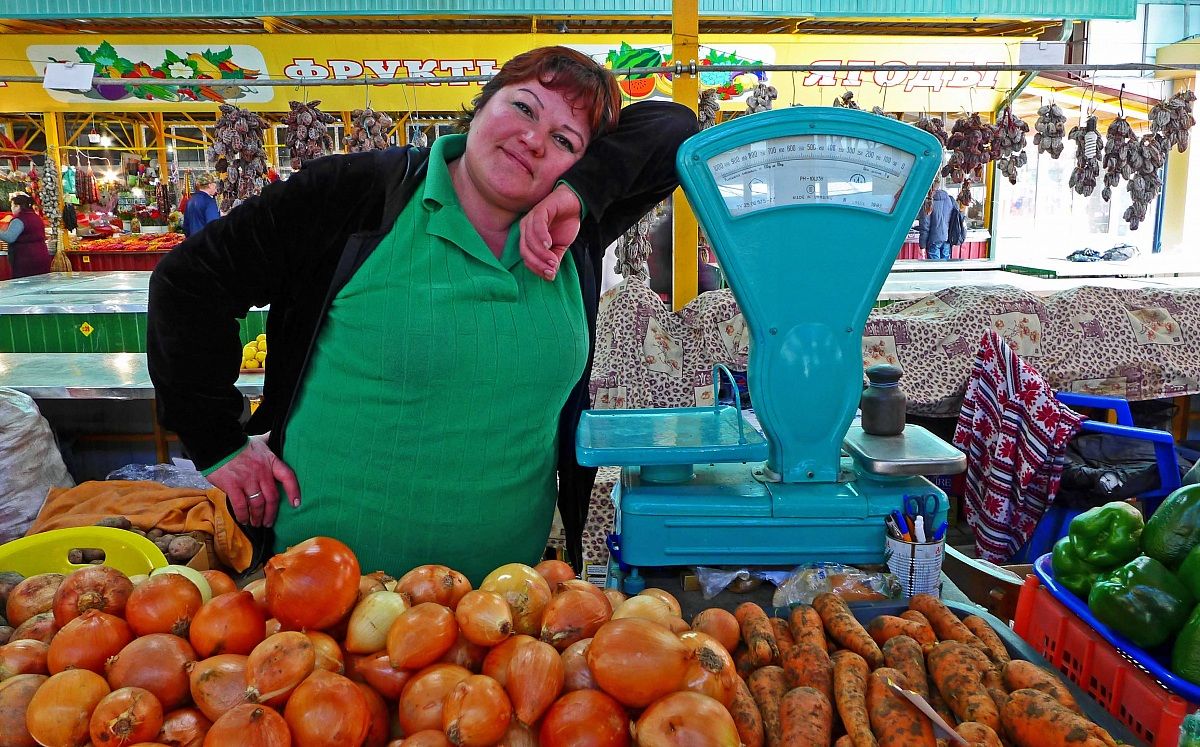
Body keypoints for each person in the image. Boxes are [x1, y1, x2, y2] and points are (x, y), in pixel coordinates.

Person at [148, 46, 698, 582]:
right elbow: (190, 283)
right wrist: (219, 443)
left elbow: (676, 128)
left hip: (498, 614)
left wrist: (580, 193)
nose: (533, 140)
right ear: (481, 105)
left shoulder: (573, 234)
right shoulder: (359, 195)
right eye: (523, 107)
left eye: (563, 139)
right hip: (320, 599)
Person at [0, 193, 51, 278]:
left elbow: (10, 237)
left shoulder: (19, 220)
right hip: (42, 256)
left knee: (25, 286)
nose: (11, 208)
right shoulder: (36, 217)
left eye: (12, 206)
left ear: (18, 206)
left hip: (26, 259)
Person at [918, 178, 955, 261]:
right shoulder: (949, 199)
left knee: (935, 270)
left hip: (933, 241)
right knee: (944, 270)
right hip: (947, 239)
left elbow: (925, 226)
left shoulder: (928, 202)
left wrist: (922, 246)